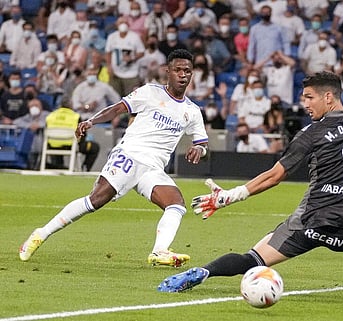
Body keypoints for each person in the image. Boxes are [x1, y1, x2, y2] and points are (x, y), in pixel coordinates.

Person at [157, 71, 343, 294]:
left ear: (329, 97)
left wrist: (229, 197)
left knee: (253, 257)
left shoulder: (310, 134)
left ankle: (203, 272)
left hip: (309, 225)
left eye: (309, 97)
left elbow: (275, 175)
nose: (305, 104)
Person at [19, 49, 210, 266]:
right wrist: (92, 121)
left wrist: (200, 150)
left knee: (176, 204)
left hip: (153, 169)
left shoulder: (192, 111)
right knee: (96, 200)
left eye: (187, 71)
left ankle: (159, 251)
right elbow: (117, 108)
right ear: (168, 71)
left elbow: (202, 144)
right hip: (130, 155)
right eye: (178, 70)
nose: (183, 75)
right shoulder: (150, 92)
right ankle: (40, 234)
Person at [43, 97, 100, 172]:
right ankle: (84, 168)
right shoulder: (76, 117)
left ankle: (59, 167)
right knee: (95, 147)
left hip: (53, 145)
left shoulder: (50, 116)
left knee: (55, 144)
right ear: (71, 105)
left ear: (60, 105)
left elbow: (45, 131)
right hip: (70, 145)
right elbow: (82, 134)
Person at [12, 98, 50, 170]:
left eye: (36, 105)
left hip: (43, 142)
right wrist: (29, 126)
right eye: (32, 106)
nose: (34, 108)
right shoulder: (28, 117)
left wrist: (39, 125)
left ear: (41, 106)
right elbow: (16, 121)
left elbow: (50, 121)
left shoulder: (46, 115)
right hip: (31, 146)